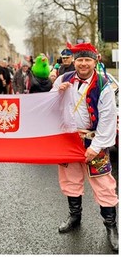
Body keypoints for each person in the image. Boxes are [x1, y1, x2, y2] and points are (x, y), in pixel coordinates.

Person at [51, 42, 118, 252]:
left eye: (87, 59)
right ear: (74, 61)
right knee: (70, 180)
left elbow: (108, 118)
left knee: (104, 184)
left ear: (95, 61)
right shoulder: (63, 79)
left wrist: (96, 146)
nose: (83, 63)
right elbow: (50, 107)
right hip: (69, 140)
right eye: (79, 59)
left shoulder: (104, 85)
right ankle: (74, 217)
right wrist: (57, 94)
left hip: (94, 140)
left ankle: (111, 227)